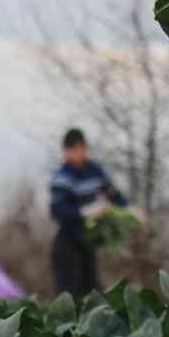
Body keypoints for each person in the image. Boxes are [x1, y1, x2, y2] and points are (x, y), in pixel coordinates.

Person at [48, 127, 127, 298]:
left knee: (93, 293)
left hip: (87, 241)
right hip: (67, 243)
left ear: (83, 147)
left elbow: (113, 193)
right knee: (70, 295)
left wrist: (128, 210)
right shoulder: (62, 177)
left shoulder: (95, 170)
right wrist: (85, 211)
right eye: (67, 151)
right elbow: (56, 211)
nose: (70, 155)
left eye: (74, 150)